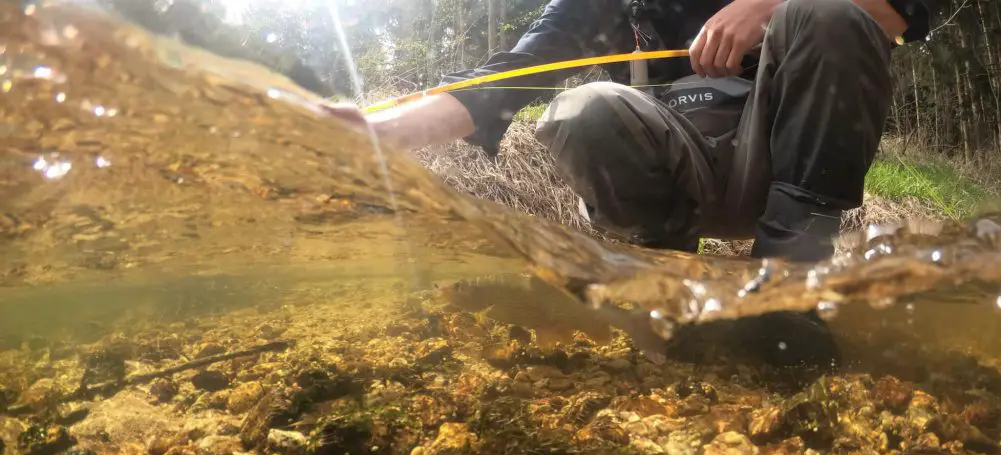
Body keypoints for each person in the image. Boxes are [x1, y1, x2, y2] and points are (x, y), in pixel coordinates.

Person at [334, 0, 932, 263]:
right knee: (581, 107)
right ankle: (660, 274)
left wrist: (768, 5)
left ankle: (791, 278)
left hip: (780, 161)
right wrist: (375, 132)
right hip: (672, 166)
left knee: (825, 9)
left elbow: (899, 15)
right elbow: (505, 79)